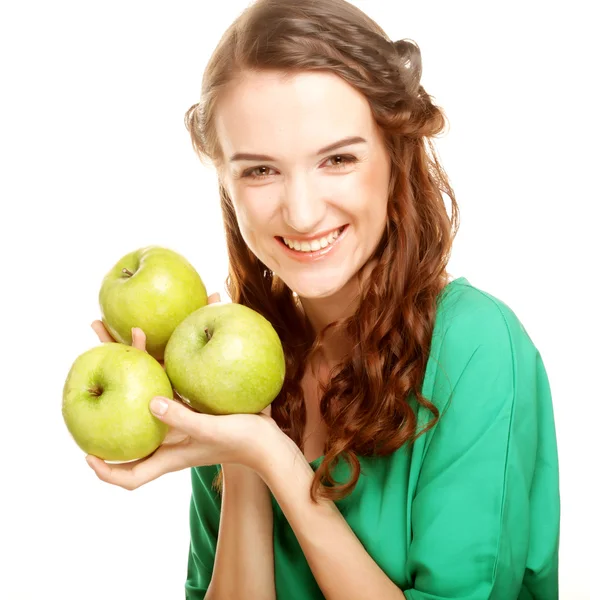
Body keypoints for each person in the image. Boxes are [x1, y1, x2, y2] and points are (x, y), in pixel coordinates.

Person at [86, 0, 560, 598]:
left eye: (337, 159)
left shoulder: (477, 348)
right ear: (227, 186)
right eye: (260, 171)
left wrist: (278, 464)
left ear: (395, 154)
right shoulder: (230, 360)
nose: (303, 212)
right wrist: (240, 452)